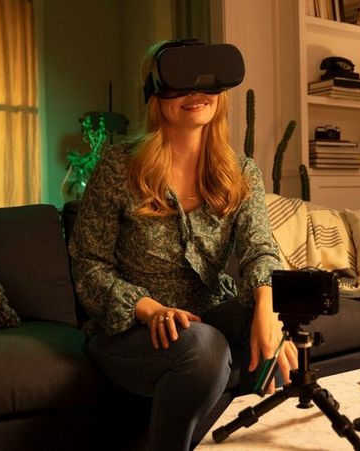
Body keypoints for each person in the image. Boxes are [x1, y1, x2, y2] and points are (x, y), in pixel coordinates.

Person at [68, 40, 298, 450]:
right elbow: (89, 264)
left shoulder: (242, 172)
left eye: (207, 83)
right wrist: (150, 309)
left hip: (210, 311)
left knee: (277, 330)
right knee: (205, 348)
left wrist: (269, 311)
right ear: (155, 94)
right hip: (132, 327)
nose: (196, 94)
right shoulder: (119, 167)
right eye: (181, 83)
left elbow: (260, 249)